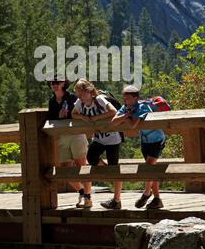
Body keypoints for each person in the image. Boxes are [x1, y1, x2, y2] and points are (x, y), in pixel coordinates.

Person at [72, 79, 123, 210]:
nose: (80, 98)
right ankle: (107, 171)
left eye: (81, 95)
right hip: (99, 138)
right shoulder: (80, 103)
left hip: (112, 138)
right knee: (91, 158)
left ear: (89, 91)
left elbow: (113, 111)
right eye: (78, 95)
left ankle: (117, 200)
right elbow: (73, 114)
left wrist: (95, 118)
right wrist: (82, 117)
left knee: (114, 168)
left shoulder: (99, 100)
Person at [112, 85, 165, 209]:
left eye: (128, 98)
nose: (125, 101)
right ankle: (157, 199)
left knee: (148, 168)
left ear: (136, 98)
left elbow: (132, 125)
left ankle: (146, 193)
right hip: (145, 141)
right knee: (150, 170)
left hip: (156, 139)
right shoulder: (126, 108)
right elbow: (114, 121)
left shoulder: (142, 107)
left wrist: (125, 116)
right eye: (124, 98)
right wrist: (125, 115)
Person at [47, 75, 92, 208]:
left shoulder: (72, 97)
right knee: (65, 171)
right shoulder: (52, 101)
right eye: (52, 82)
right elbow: (51, 119)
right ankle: (82, 191)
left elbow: (79, 113)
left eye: (57, 82)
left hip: (76, 135)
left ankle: (88, 197)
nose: (54, 84)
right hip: (62, 137)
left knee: (82, 168)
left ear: (63, 83)